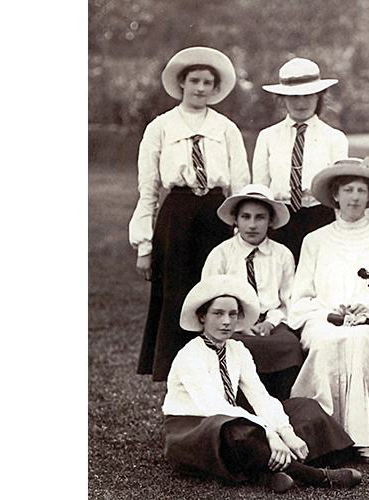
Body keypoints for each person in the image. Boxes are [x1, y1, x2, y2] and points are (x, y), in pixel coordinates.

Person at [160, 275, 363, 492]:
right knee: (234, 430)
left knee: (305, 407)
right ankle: (316, 476)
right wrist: (269, 433)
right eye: (217, 314)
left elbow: (260, 396)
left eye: (233, 314)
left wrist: (285, 432)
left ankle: (267, 474)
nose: (226, 321)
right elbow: (213, 407)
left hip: (231, 421)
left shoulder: (237, 349)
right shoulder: (190, 355)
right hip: (196, 431)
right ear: (202, 317)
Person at [132, 46, 252, 382]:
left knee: (214, 290)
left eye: (207, 83)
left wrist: (240, 234)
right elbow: (149, 188)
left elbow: (240, 184)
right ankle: (176, 376)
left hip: (215, 214)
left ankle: (216, 371)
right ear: (181, 83)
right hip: (177, 215)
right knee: (177, 293)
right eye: (194, 81)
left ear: (216, 89)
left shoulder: (226, 128)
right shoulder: (161, 127)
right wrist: (145, 246)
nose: (200, 88)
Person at [285, 159, 369, 463]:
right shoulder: (315, 240)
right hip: (323, 318)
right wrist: (329, 313)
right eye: (347, 190)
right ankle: (323, 439)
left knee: (360, 341)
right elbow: (300, 297)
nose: (354, 197)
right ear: (335, 195)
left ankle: (365, 443)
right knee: (327, 341)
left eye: (361, 190)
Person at [201, 184, 301, 399]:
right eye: (245, 217)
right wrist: (239, 324)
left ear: (271, 221)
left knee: (289, 345)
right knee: (233, 347)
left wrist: (270, 322)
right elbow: (208, 298)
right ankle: (237, 404)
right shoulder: (222, 254)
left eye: (260, 217)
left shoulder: (282, 255)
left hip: (270, 323)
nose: (252, 225)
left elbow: (288, 300)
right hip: (232, 323)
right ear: (235, 220)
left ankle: (281, 401)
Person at [252, 57, 348, 257]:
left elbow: (339, 189)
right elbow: (260, 186)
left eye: (308, 95)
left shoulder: (334, 137)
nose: (301, 103)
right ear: (282, 98)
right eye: (293, 96)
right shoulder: (268, 136)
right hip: (280, 220)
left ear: (319, 96)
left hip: (320, 217)